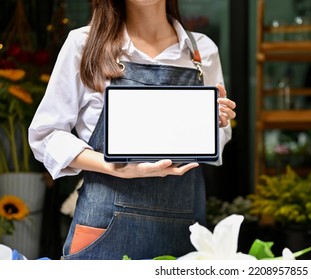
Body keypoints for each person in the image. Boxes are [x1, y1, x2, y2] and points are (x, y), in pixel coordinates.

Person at [28, 0, 236, 260]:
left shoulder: (202, 52)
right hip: (102, 228)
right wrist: (115, 166)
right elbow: (46, 135)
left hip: (184, 231)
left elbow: (214, 146)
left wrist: (217, 122)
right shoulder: (83, 44)